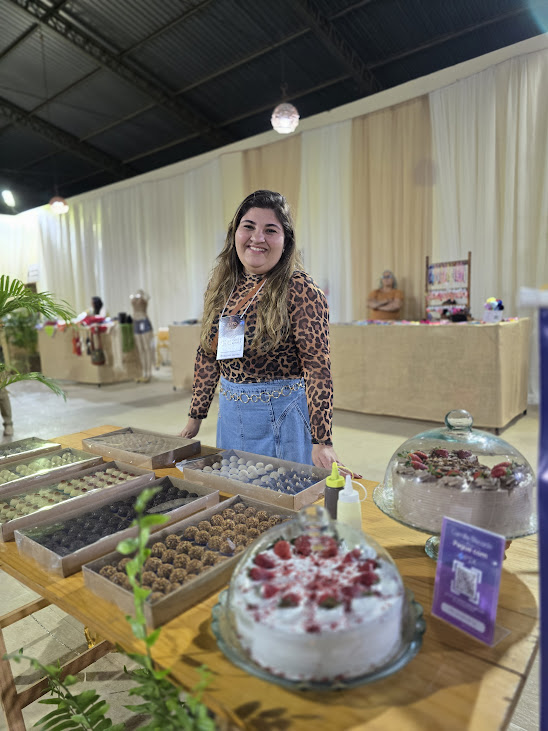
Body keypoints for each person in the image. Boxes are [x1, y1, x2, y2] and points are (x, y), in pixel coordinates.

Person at [180, 189, 339, 469]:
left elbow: (317, 367)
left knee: (279, 494)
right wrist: (195, 417)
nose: (258, 238)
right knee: (234, 492)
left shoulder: (299, 288)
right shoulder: (222, 286)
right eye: (249, 227)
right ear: (235, 233)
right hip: (231, 420)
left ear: (285, 241)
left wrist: (322, 441)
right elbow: (208, 354)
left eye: (270, 230)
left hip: (282, 423)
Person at [130, 289, 154, 383]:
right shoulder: (133, 299)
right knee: (140, 349)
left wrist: (142, 295)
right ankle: (144, 371)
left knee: (146, 348)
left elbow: (148, 297)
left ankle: (149, 372)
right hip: (136, 322)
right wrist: (135, 296)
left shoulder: (144, 299)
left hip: (144, 321)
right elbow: (132, 299)